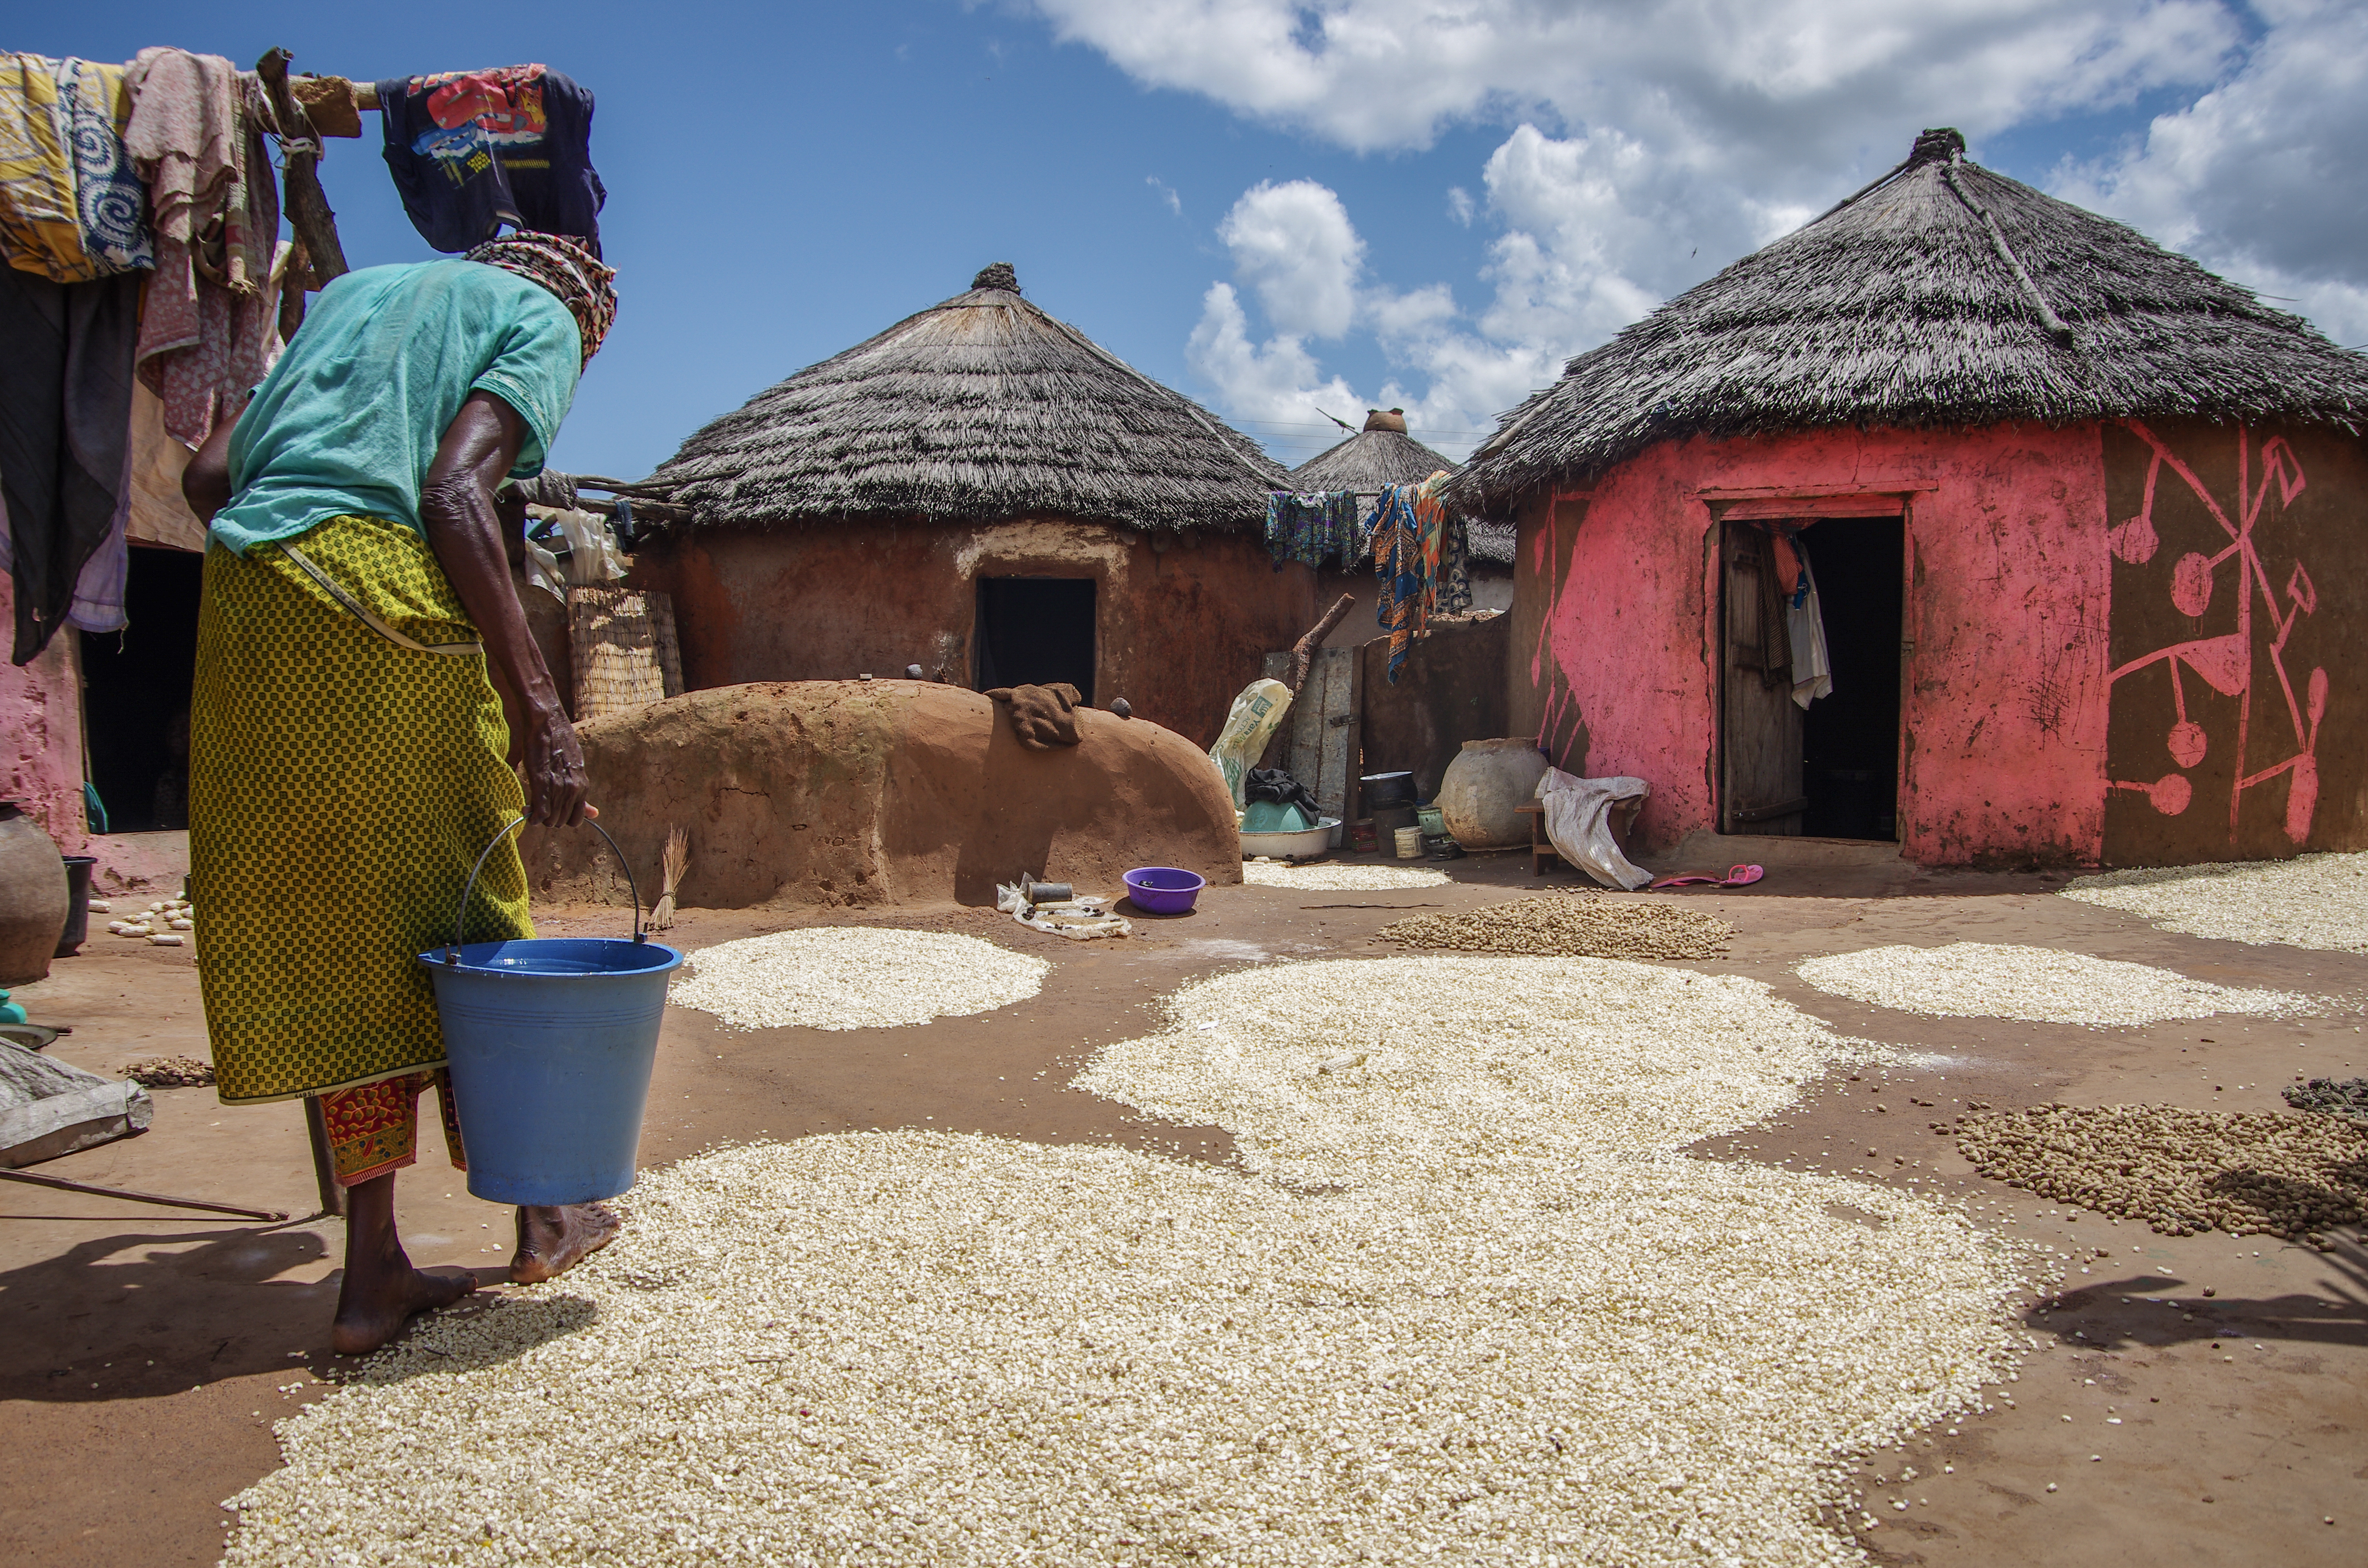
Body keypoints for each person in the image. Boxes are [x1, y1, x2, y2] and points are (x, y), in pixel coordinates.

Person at [181, 231, 618, 1355]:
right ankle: (545, 1212)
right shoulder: (542, 316)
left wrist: (294, 550)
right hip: (378, 599)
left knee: (342, 936)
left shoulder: (350, 297)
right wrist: (540, 708)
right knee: (471, 910)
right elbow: (455, 490)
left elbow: (209, 479)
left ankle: (373, 1271)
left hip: (249, 602)